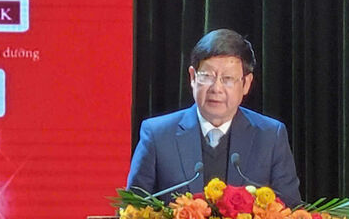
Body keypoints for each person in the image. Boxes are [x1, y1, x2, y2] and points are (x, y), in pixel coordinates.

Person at [126, 29, 302, 206]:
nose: (216, 88)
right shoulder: (158, 135)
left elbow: (291, 211)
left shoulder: (270, 136)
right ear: (193, 77)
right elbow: (131, 211)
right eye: (207, 76)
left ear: (246, 84)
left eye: (228, 78)